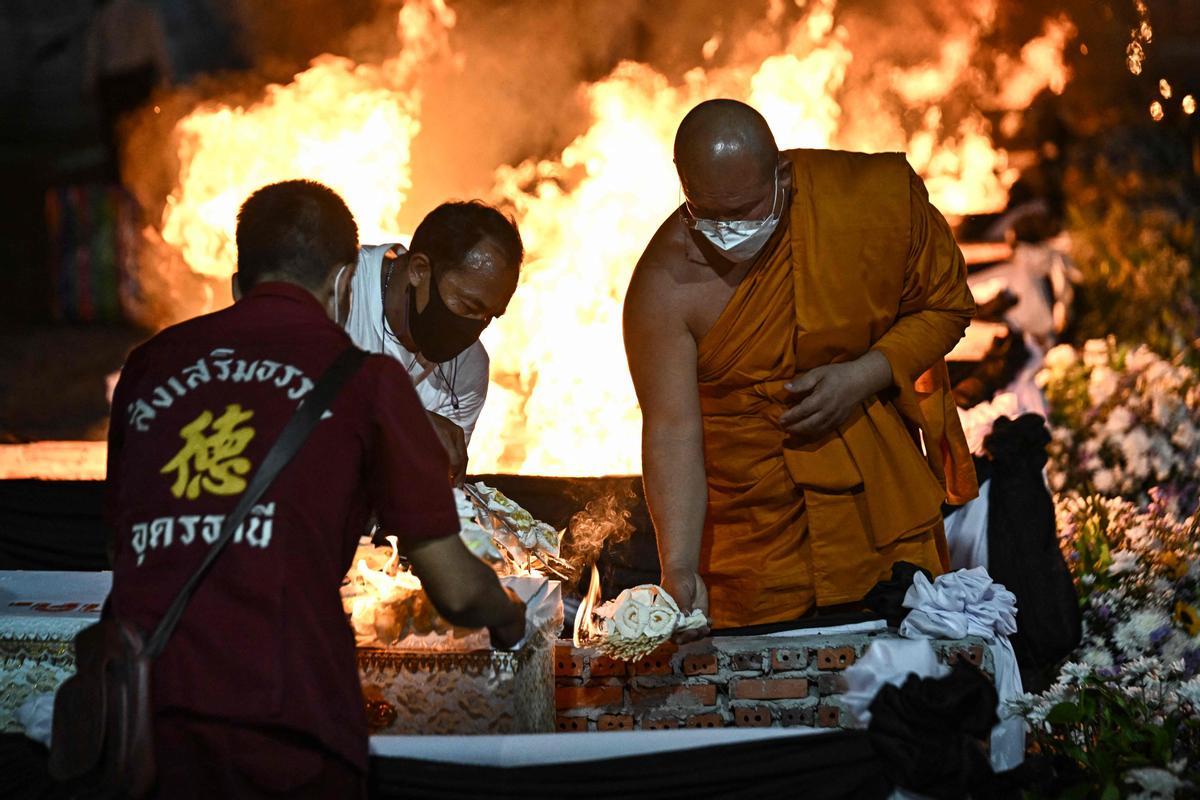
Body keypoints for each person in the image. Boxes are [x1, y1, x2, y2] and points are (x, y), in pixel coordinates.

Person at [106, 180, 525, 798]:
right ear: (341, 284)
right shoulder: (367, 381)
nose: (474, 329)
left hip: (149, 696)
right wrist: (513, 621)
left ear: (235, 281)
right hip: (284, 706)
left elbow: (120, 538)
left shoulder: (148, 365)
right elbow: (455, 586)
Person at [624, 99, 978, 632]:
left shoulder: (868, 200)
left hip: (872, 508)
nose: (727, 230)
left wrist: (865, 374)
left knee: (903, 685)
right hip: (752, 540)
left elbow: (947, 305)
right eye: (706, 213)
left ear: (782, 175)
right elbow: (672, 428)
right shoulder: (664, 283)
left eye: (744, 210)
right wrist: (677, 566)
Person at [335, 201, 523, 484]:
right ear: (419, 270)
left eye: (490, 316)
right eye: (468, 305)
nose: (475, 327)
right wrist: (402, 422)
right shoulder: (337, 292)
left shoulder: (469, 370)